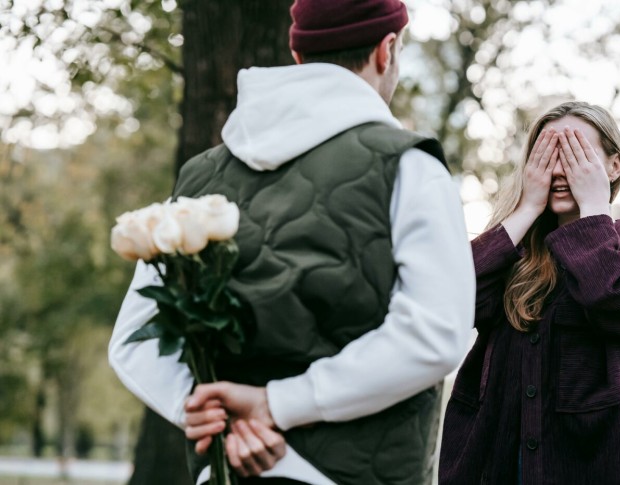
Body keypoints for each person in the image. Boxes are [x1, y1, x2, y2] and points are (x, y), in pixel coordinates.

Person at [108, 1, 475, 484]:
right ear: (386, 52)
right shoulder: (410, 166)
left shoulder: (201, 177)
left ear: (298, 55)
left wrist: (212, 417)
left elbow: (136, 340)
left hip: (227, 470)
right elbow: (436, 333)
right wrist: (273, 406)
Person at [438, 101, 620, 485]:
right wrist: (527, 207)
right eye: (547, 155)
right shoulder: (510, 259)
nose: (558, 169)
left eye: (575, 152)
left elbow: (613, 297)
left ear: (614, 165)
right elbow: (444, 301)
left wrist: (592, 209)